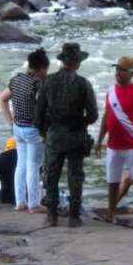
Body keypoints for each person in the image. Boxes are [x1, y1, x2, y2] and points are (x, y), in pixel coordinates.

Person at [35, 43, 98, 227]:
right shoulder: (83, 84)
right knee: (75, 176)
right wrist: (81, 123)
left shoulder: (48, 81)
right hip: (76, 136)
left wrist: (45, 132)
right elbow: (93, 116)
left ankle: (51, 216)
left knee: (51, 175)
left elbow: (38, 115)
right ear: (77, 62)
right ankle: (74, 217)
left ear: (63, 61)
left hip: (54, 135)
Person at [95, 55, 133, 224]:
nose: (118, 73)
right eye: (117, 69)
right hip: (113, 145)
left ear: (131, 73)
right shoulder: (111, 91)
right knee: (112, 181)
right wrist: (99, 141)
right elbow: (106, 117)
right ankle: (111, 213)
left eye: (122, 70)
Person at [0, 48, 51, 214]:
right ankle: (34, 204)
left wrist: (10, 122)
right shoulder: (38, 85)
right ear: (41, 68)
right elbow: (45, 110)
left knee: (20, 165)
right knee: (33, 166)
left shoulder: (16, 80)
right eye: (46, 70)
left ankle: (20, 202)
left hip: (18, 128)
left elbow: (2, 99)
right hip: (33, 130)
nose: (46, 73)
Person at [0, 137, 17, 205]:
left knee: (0, 181)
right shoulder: (22, 156)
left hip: (4, 196)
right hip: (20, 195)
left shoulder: (1, 156)